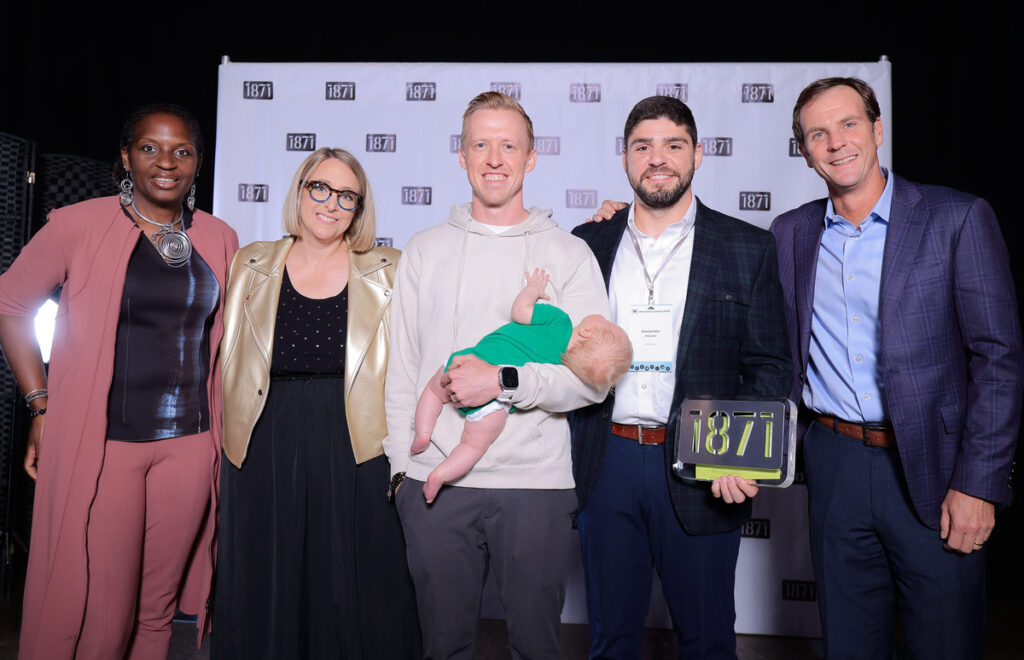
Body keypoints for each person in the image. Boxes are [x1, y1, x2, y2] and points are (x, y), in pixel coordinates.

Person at [770, 77, 1022, 659]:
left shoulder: (957, 218)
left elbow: (999, 360)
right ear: (806, 152)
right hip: (834, 465)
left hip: (936, 472)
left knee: (945, 643)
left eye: (849, 124)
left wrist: (978, 484)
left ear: (877, 130)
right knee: (849, 645)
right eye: (818, 134)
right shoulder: (790, 233)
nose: (836, 143)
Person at [0, 104, 238, 659]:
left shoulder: (219, 236)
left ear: (198, 164)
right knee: (106, 612)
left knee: (157, 613)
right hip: (109, 446)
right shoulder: (79, 224)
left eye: (182, 151)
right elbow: (10, 306)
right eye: (150, 148)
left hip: (191, 443)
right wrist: (41, 404)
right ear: (126, 157)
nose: (166, 162)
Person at [383, 91, 609, 659]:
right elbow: (404, 368)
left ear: (531, 158)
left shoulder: (570, 254)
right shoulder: (425, 249)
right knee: (442, 647)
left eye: (509, 145)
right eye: (480, 144)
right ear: (461, 155)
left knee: (536, 647)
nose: (494, 158)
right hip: (436, 485)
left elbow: (594, 379)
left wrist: (507, 382)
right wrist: (401, 469)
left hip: (535, 486)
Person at [570, 95, 792, 659]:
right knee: (610, 638)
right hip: (608, 459)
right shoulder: (586, 243)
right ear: (625, 158)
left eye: (673, 145)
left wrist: (739, 458)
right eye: (643, 146)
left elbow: (769, 366)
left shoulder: (747, 247)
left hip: (703, 461)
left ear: (697, 154)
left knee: (708, 639)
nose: (658, 158)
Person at [213, 147, 420, 659]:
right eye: (319, 188)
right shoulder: (252, 261)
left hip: (356, 441)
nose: (330, 203)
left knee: (357, 580)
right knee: (267, 574)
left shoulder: (391, 268)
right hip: (264, 438)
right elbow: (229, 353)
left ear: (359, 207)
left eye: (346, 195)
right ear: (300, 191)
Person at [413, 268, 631, 503]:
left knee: (434, 391)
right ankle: (440, 475)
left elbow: (520, 311)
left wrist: (533, 289)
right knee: (472, 447)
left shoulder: (559, 321)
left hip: (467, 360)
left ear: (587, 330)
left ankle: (423, 434)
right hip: (495, 404)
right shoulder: (564, 368)